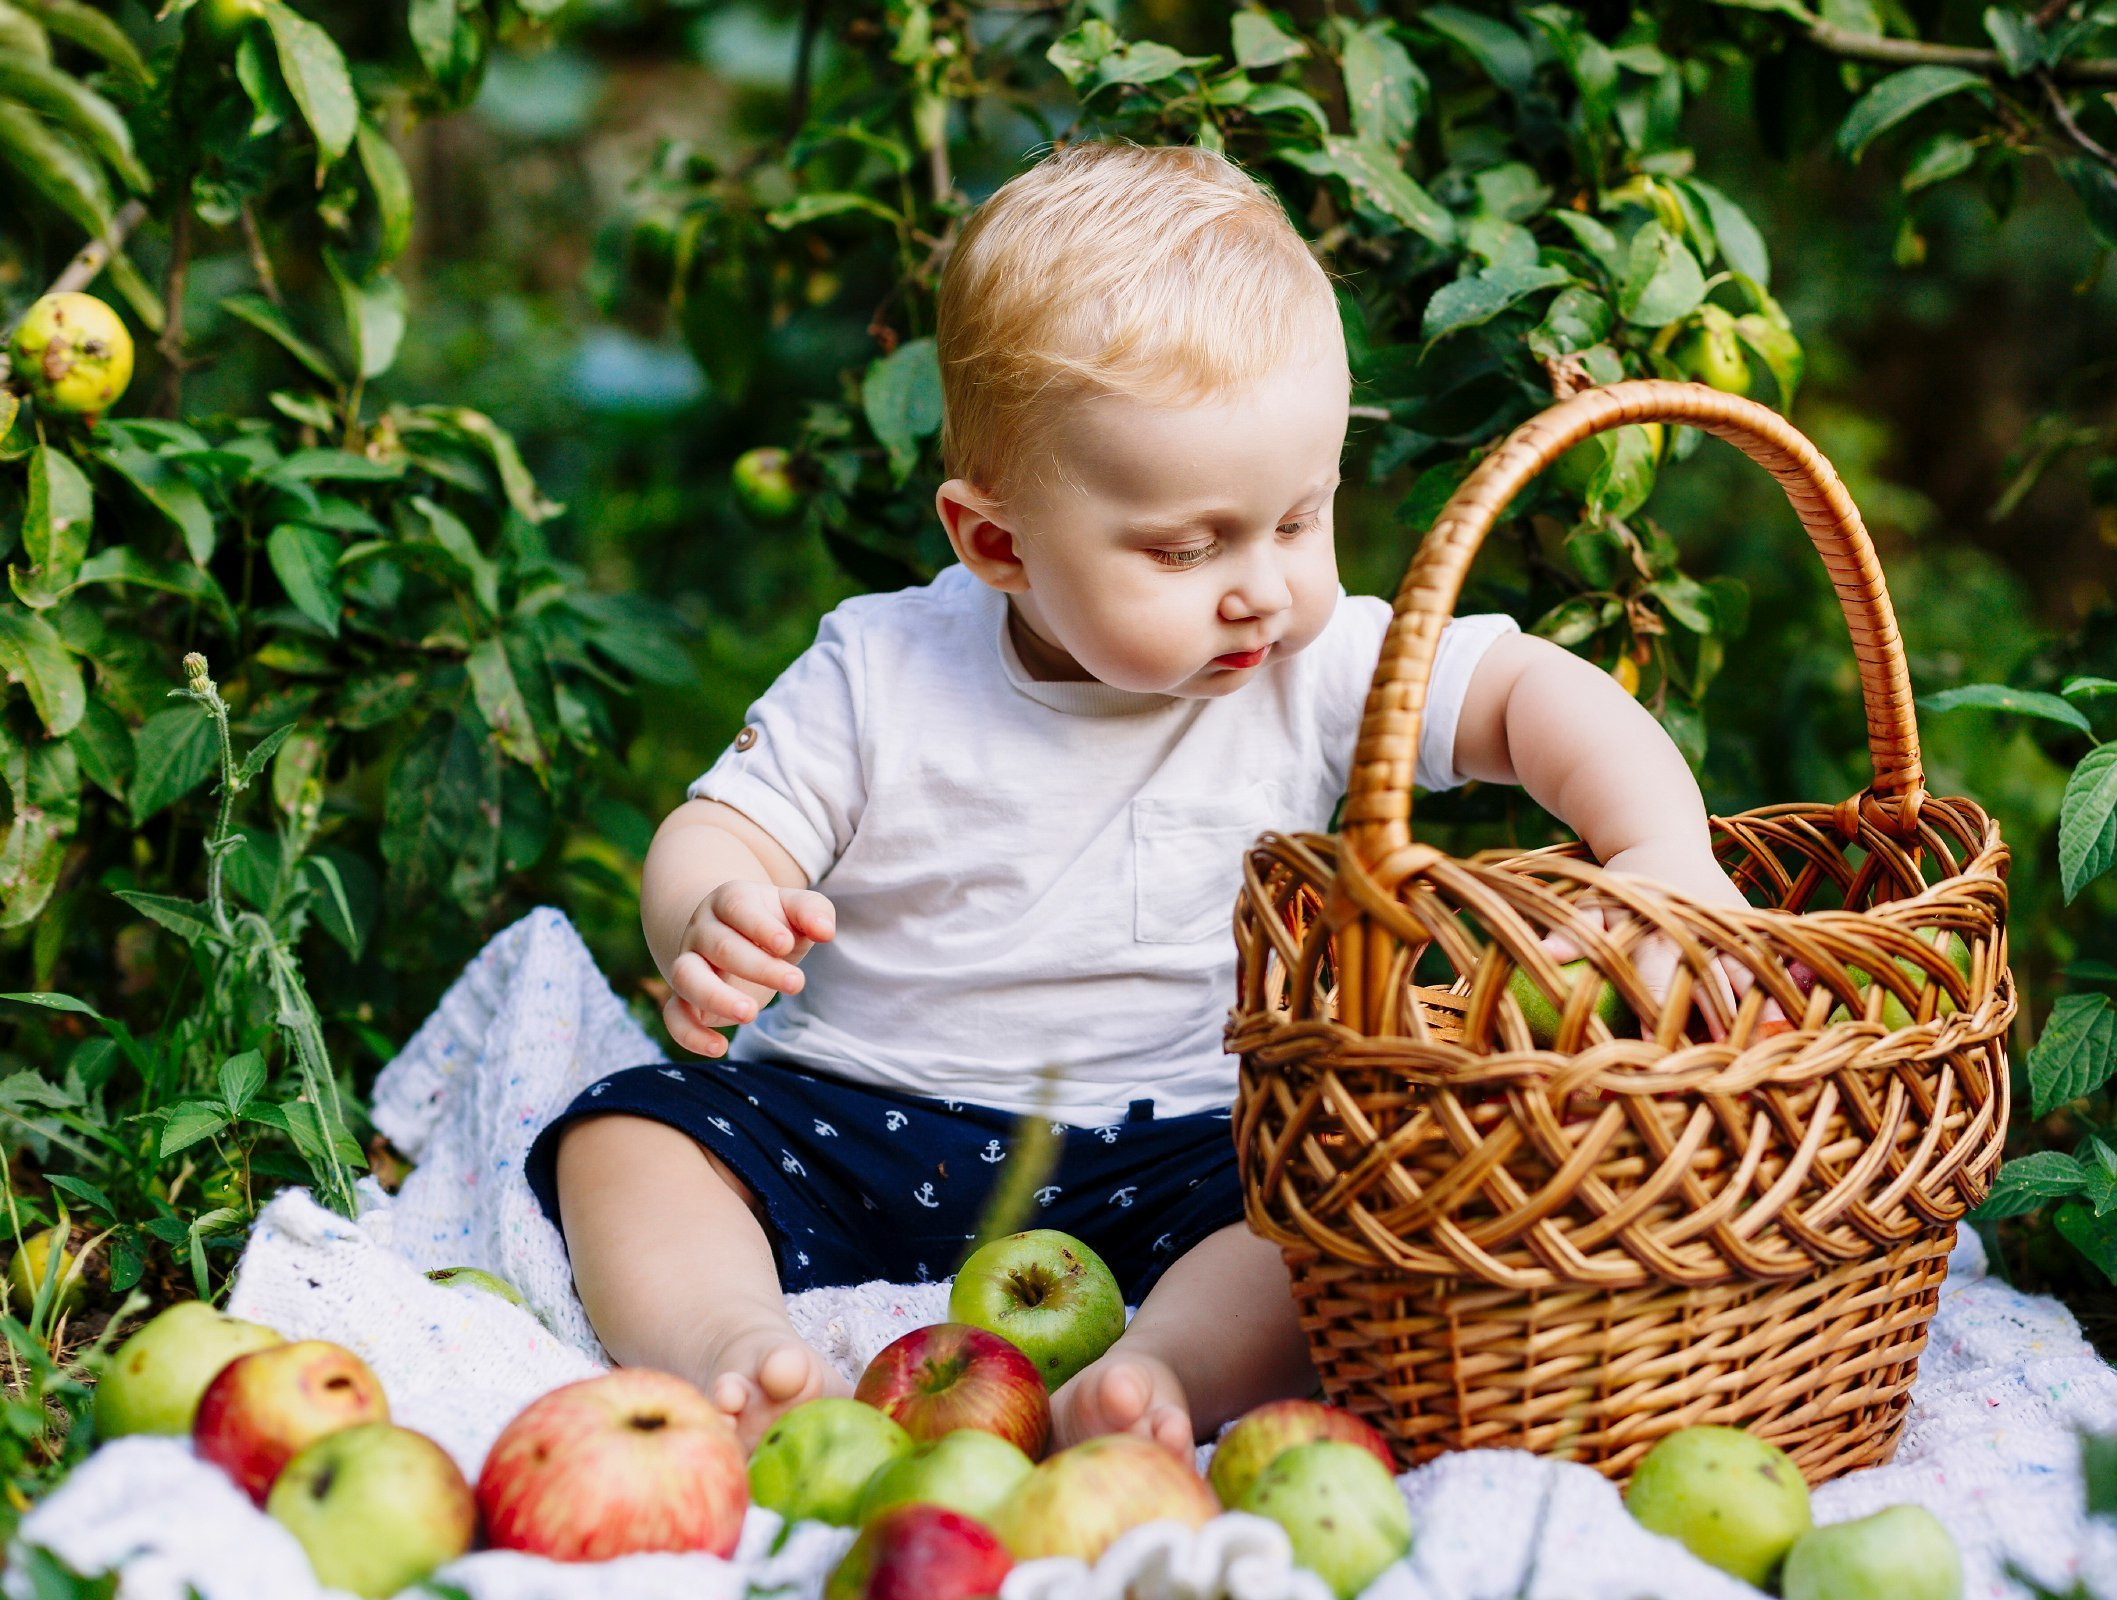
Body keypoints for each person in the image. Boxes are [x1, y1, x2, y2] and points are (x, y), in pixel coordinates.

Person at [526, 141, 1754, 1456]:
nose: (1262, 588)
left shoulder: (1315, 660)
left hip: (1180, 1144)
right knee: (630, 1137)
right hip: (860, 1119)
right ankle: (735, 1349)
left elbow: (1529, 694)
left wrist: (1659, 847)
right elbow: (725, 827)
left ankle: (1153, 1375)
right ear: (996, 541)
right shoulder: (882, 669)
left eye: (1301, 519)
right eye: (1189, 547)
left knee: (1338, 1203)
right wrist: (711, 912)